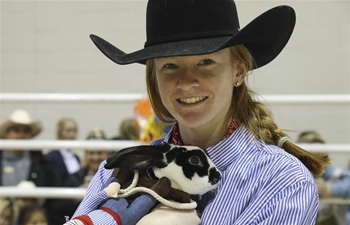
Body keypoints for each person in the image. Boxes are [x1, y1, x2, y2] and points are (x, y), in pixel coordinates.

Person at [74, 0, 331, 224]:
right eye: (170, 66)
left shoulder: (281, 182)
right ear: (154, 77)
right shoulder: (119, 169)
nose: (186, 82)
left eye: (206, 62)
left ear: (239, 71)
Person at [297, 131, 350, 225]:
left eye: (320, 153)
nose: (317, 158)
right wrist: (309, 186)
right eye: (311, 154)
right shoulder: (293, 173)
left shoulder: (331, 172)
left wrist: (330, 189)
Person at [46, 118, 80, 184]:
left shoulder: (76, 158)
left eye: (74, 131)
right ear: (60, 133)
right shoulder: (51, 157)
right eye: (68, 131)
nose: (72, 135)